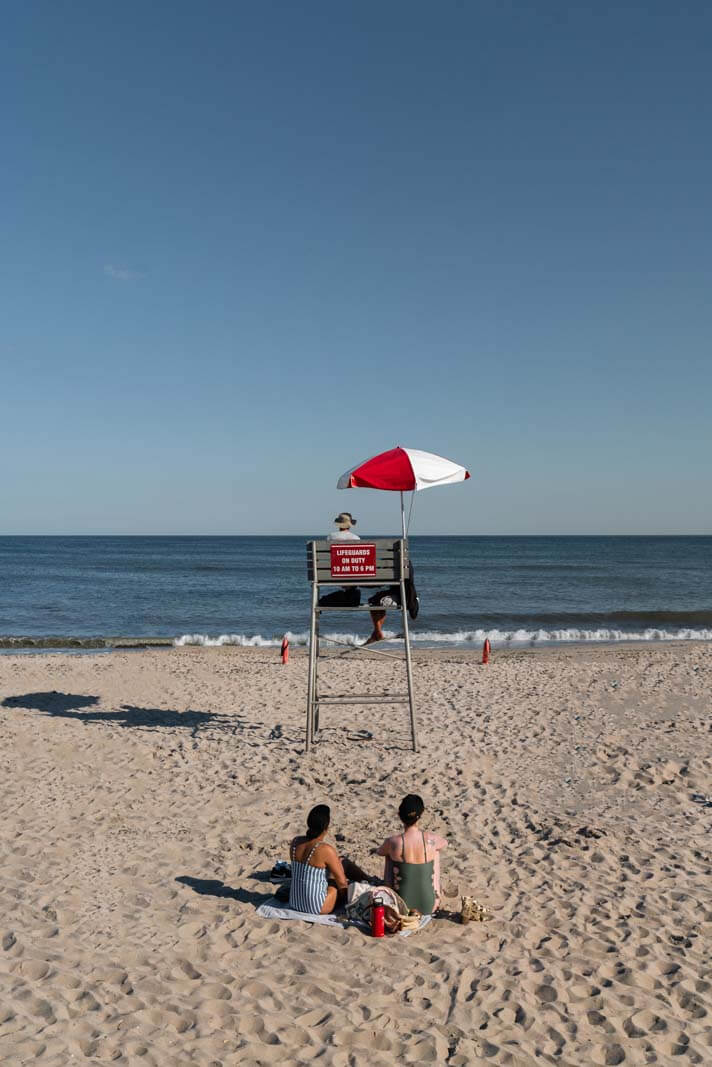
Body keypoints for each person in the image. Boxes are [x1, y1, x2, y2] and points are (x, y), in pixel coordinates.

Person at [289, 804, 371, 915]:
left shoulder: (295, 842)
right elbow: (342, 883)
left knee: (334, 868)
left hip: (295, 902)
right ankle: (368, 881)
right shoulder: (325, 849)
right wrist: (344, 898)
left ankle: (366, 880)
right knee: (342, 864)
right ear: (326, 828)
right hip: (318, 907)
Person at [374, 794, 447, 914]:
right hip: (429, 906)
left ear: (399, 816)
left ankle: (390, 893)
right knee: (435, 852)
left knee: (389, 855)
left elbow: (379, 852)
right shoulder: (430, 839)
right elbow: (444, 843)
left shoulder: (393, 842)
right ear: (421, 815)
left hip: (400, 907)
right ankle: (436, 895)